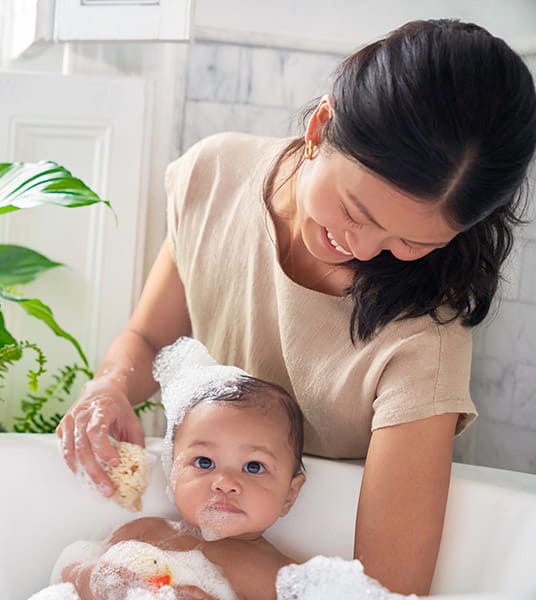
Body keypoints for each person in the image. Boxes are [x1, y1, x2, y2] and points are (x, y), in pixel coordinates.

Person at [57, 18, 536, 595]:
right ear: (320, 126)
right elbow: (151, 342)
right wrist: (109, 386)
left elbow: (383, 590)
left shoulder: (425, 337)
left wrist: (189, 556)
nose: (362, 249)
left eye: (413, 243)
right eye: (356, 210)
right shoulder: (216, 177)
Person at [56, 338, 306, 600]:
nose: (224, 481)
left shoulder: (280, 577)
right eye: (204, 462)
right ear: (172, 470)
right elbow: (67, 577)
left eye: (253, 467)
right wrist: (101, 580)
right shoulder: (143, 533)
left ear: (290, 494)